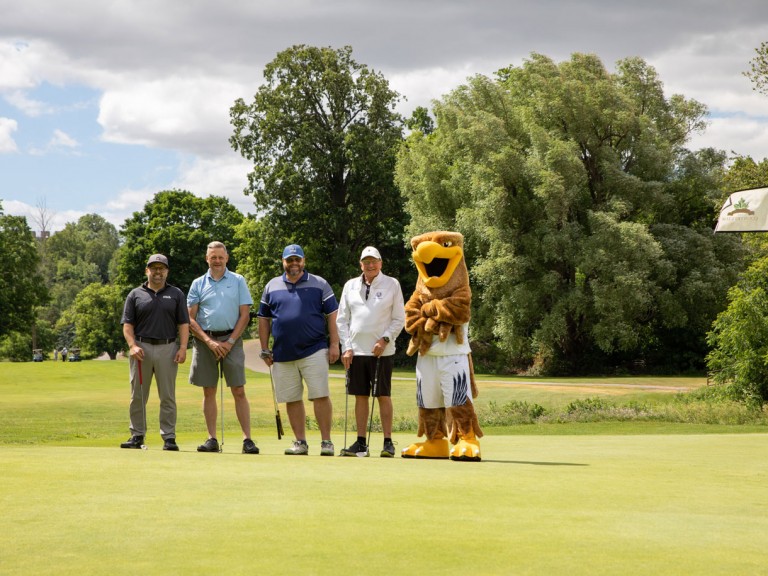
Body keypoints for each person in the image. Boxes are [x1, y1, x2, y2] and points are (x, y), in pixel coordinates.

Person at [258, 244, 340, 456]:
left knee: (320, 395)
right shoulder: (271, 286)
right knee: (292, 398)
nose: (294, 263)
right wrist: (264, 348)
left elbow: (333, 315)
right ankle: (300, 442)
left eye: (297, 259)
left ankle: (326, 442)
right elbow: (263, 319)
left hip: (314, 349)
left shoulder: (319, 283)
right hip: (282, 353)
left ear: (303, 261)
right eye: (289, 260)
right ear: (283, 262)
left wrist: (334, 344)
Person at [187, 241, 259, 454]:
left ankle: (247, 440)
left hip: (232, 339)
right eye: (213, 257)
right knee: (209, 390)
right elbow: (190, 319)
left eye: (220, 257)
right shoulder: (198, 283)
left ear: (226, 258)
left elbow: (245, 315)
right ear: (206, 259)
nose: (217, 261)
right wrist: (209, 341)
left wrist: (229, 342)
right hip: (205, 341)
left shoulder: (238, 280)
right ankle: (211, 439)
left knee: (238, 389)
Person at [337, 246, 405, 457]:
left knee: (383, 395)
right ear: (361, 265)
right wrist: (347, 347)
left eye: (374, 261)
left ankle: (387, 442)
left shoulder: (392, 284)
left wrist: (385, 339)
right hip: (356, 352)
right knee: (360, 396)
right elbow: (342, 320)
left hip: (382, 352)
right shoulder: (350, 285)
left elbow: (399, 319)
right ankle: (361, 443)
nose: (370, 265)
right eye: (366, 262)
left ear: (380, 263)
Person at [120, 254, 190, 451]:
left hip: (168, 348)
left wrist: (183, 348)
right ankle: (137, 435)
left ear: (167, 271)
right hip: (141, 348)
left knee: (167, 396)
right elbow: (127, 325)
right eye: (154, 268)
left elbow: (183, 324)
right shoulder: (135, 294)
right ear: (147, 271)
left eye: (161, 268)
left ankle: (169, 437)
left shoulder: (176, 294)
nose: (158, 272)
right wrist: (132, 346)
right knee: (138, 395)